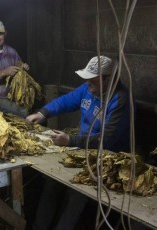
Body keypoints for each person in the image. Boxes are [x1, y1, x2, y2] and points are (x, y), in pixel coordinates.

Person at [27, 55, 133, 230]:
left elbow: (107, 139)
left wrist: (70, 140)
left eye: (93, 82)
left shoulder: (120, 100)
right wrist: (43, 113)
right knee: (52, 182)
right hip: (82, 149)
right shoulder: (89, 89)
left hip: (107, 158)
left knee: (77, 193)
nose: (88, 86)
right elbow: (67, 101)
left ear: (108, 80)